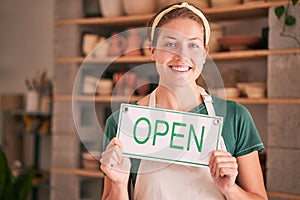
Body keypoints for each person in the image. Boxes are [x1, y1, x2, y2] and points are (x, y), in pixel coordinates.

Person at [100, 2, 268, 200]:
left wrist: (230, 189)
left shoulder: (235, 117)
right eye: (170, 44)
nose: (182, 55)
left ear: (205, 53)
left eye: (193, 45)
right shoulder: (122, 123)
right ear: (152, 51)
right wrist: (119, 185)